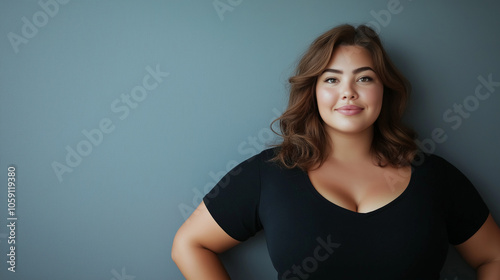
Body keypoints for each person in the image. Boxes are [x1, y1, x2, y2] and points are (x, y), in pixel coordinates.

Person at [172, 24, 500, 279]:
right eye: (331, 80)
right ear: (312, 92)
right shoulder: (269, 174)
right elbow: (189, 245)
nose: (348, 93)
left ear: (384, 90)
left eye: (365, 78)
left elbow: (494, 256)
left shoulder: (435, 177)